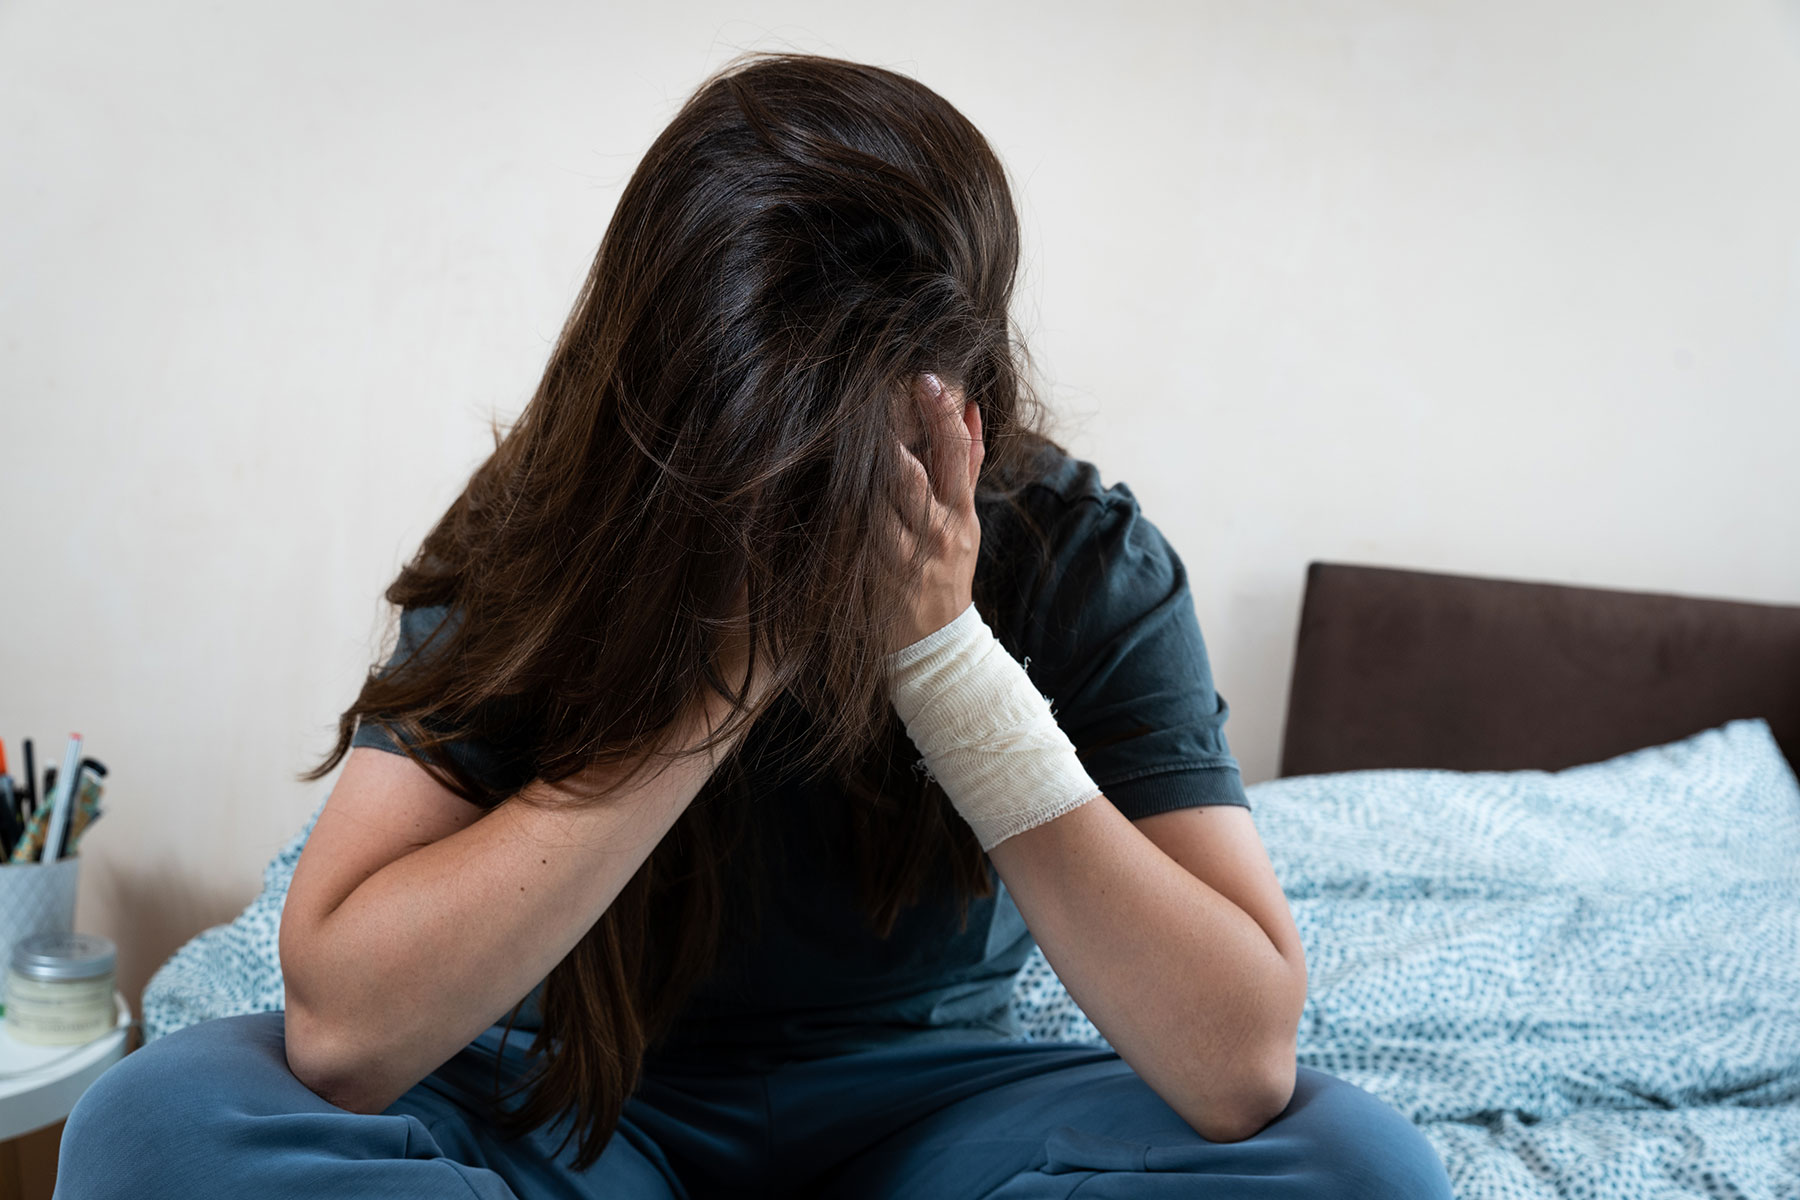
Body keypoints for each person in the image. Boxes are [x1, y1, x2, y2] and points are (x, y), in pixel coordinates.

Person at [54, 51, 1454, 1200]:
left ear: (962, 392)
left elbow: (1240, 1063)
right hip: (579, 1102)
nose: (790, 488)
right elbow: (346, 1027)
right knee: (151, 1126)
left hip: (926, 1107)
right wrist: (732, 661)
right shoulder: (554, 518)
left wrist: (941, 655)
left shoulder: (1082, 553)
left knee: (1363, 1169)